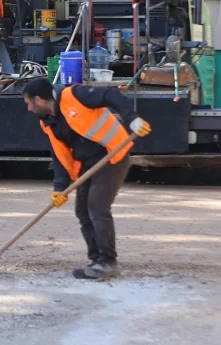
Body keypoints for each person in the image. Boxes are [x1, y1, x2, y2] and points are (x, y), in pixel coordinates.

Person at [22, 78, 151, 280]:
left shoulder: (75, 95)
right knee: (82, 210)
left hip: (111, 155)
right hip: (86, 164)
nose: (28, 109)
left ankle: (107, 262)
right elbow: (59, 155)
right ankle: (96, 260)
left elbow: (111, 95)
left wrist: (131, 118)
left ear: (38, 99)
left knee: (97, 206)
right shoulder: (47, 122)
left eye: (29, 103)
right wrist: (59, 188)